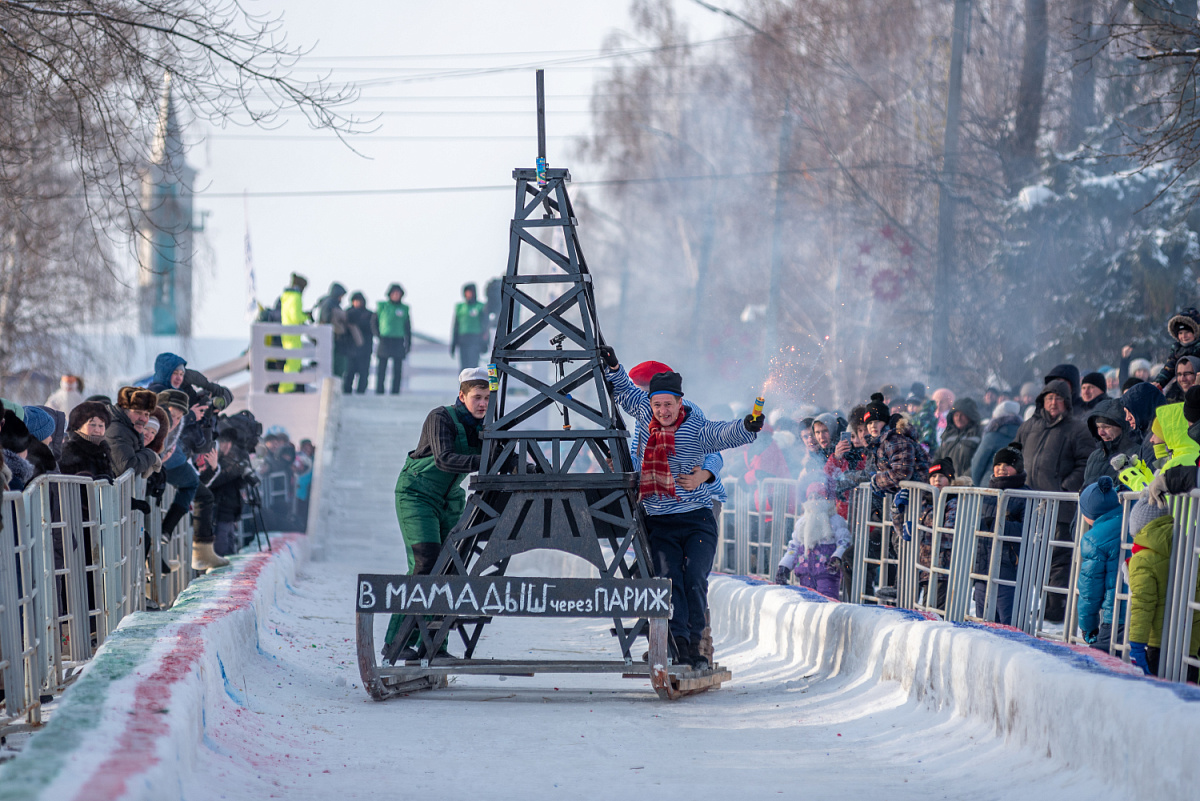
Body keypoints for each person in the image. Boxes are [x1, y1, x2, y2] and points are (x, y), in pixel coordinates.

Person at [602, 346, 761, 670]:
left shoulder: (691, 418)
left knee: (693, 578)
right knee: (665, 578)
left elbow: (718, 440)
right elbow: (625, 394)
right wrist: (614, 367)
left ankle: (698, 645)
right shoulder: (644, 415)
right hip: (659, 511)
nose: (659, 408)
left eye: (665, 402)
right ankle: (671, 643)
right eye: (652, 400)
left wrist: (706, 471)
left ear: (678, 400)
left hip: (698, 504)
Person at [385, 368, 491, 661]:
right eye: (477, 397)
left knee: (450, 567)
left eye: (487, 398)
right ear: (462, 396)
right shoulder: (441, 417)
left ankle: (435, 647)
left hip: (450, 499)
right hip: (417, 495)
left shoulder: (487, 426)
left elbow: (504, 456)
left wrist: (528, 467)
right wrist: (490, 459)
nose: (483, 404)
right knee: (425, 563)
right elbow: (445, 459)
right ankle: (397, 642)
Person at [1012, 378, 1093, 621]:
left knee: (1058, 558)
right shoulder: (1028, 427)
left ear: (1067, 402)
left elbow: (1085, 463)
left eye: (1058, 398)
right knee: (1034, 556)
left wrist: (1064, 487)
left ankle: (1055, 609)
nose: (1053, 403)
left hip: (1060, 506)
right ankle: (1042, 604)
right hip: (1030, 504)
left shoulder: (1077, 429)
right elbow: (1013, 454)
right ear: (1042, 401)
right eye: (1049, 398)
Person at [1125, 499, 1200, 679]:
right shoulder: (1189, 549)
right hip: (1191, 645)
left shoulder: (1141, 559)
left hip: (1159, 647)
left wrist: (1136, 646)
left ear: (1139, 528)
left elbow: (1143, 606)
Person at [973, 443, 1027, 625]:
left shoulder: (1026, 496)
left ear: (1018, 468)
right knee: (982, 620)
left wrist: (998, 525)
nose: (1001, 468)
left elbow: (1028, 530)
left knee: (1007, 622)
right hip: (983, 568)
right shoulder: (986, 493)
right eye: (998, 464)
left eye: (1007, 465)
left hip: (1009, 570)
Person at [774, 482, 849, 598]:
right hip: (805, 572)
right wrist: (784, 566)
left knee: (826, 600)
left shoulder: (836, 521)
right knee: (806, 601)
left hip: (827, 572)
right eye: (810, 497)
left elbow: (844, 542)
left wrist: (837, 557)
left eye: (818, 497)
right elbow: (794, 547)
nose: (814, 501)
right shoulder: (802, 523)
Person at [1076, 477, 1124, 652]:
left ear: (1089, 514)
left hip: (1117, 614)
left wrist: (1088, 627)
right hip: (1149, 610)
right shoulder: (1132, 518)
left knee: (1102, 659)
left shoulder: (1093, 539)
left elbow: (1089, 591)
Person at [1082, 397, 1141, 486]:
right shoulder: (1094, 456)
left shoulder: (1136, 455)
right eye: (1098, 427)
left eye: (1106, 427)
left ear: (1122, 427)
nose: (1101, 433)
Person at [105, 387, 161, 479]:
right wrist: (152, 456)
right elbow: (128, 468)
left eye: (146, 414)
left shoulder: (132, 428)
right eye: (138, 412)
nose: (143, 419)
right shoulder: (117, 430)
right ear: (124, 410)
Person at [59, 401, 115, 480]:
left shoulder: (104, 450)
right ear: (79, 426)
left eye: (101, 425)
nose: (97, 430)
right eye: (92, 425)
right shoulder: (70, 451)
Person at [970, 400, 1021, 487]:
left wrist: (976, 485)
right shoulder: (1024, 435)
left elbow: (978, 463)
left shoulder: (992, 436)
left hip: (990, 484)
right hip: (1015, 486)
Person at [374, 283, 412, 395]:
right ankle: (379, 391)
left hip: (398, 340)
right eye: (394, 293)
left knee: (397, 368)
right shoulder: (382, 306)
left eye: (398, 293)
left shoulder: (404, 309)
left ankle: (395, 391)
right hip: (385, 339)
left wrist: (408, 343)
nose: (396, 295)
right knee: (382, 367)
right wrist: (378, 334)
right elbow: (374, 322)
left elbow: (408, 327)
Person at [1151, 307, 1200, 391]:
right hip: (1183, 385)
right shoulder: (1177, 349)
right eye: (1180, 333)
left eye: (1187, 332)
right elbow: (1168, 368)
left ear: (1195, 332)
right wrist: (1158, 382)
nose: (1184, 336)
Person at [933, 397, 982, 479]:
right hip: (947, 482)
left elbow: (980, 461)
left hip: (969, 483)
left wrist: (964, 479)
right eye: (956, 415)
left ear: (970, 416)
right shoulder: (947, 435)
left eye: (962, 415)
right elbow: (938, 459)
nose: (958, 418)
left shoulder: (979, 435)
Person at [450, 282, 488, 369]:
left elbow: (485, 326)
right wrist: (453, 344)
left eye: (470, 292)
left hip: (475, 340)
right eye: (467, 292)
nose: (468, 294)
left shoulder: (480, 306)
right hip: (463, 340)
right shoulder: (460, 307)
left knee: (473, 365)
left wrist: (485, 342)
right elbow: (456, 326)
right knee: (464, 367)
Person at [343, 291, 374, 394]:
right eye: (355, 301)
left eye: (359, 301)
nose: (357, 303)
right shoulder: (347, 313)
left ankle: (361, 394)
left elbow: (372, 329)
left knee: (363, 374)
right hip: (350, 349)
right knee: (349, 373)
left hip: (365, 350)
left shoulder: (369, 315)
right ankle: (347, 393)